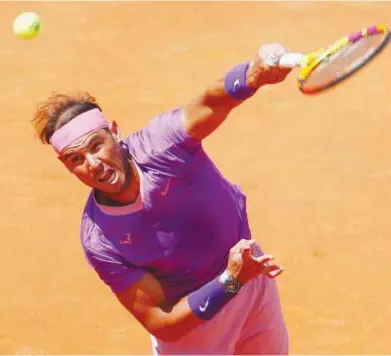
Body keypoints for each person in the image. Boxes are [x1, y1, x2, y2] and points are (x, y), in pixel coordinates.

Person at [31, 43, 292, 355]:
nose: (93, 164)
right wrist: (231, 281)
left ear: (115, 132)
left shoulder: (162, 145)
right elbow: (162, 322)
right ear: (66, 166)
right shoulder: (101, 240)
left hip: (250, 282)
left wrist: (253, 75)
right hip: (196, 325)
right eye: (76, 159)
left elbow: (211, 101)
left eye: (96, 145)